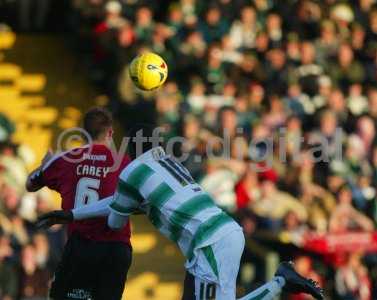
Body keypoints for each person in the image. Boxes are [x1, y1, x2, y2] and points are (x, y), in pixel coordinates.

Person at [37, 124, 323, 300]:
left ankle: (281, 280)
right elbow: (131, 200)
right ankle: (282, 280)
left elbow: (114, 219)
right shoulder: (166, 162)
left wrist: (80, 213)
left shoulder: (131, 173)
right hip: (224, 231)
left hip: (208, 243)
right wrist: (75, 214)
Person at [26, 107, 132, 300]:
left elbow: (30, 184)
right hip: (116, 248)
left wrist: (44, 165)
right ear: (110, 132)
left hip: (82, 246)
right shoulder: (125, 164)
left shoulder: (65, 160)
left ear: (83, 133)